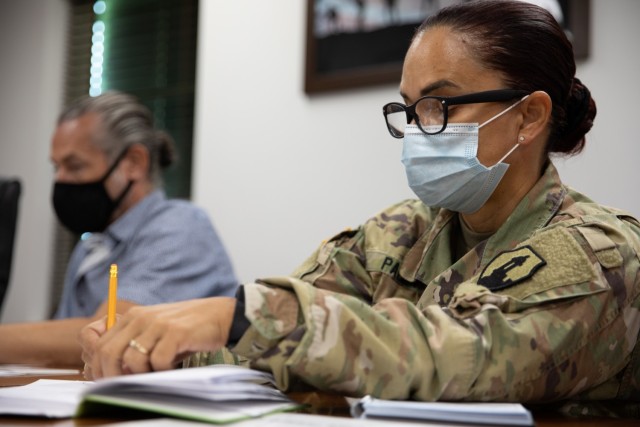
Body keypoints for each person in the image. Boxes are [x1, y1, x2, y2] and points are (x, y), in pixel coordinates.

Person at [81, 0, 640, 415]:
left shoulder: (599, 254)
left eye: (439, 104)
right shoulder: (399, 233)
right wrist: (155, 351)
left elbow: (462, 358)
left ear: (529, 116)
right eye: (409, 109)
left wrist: (238, 316)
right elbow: (275, 344)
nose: (418, 130)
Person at [0, 91, 238, 367]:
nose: (60, 180)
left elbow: (111, 336)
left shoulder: (181, 228)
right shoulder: (93, 245)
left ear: (134, 162)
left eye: (74, 166)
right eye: (57, 168)